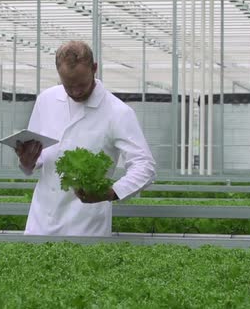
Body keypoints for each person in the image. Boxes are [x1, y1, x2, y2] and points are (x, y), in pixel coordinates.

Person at [15, 40, 156, 237]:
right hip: (41, 222)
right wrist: (27, 162)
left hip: (86, 226)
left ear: (94, 68)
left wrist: (110, 192)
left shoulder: (118, 112)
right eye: (68, 86)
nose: (75, 91)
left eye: (81, 84)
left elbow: (145, 166)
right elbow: (37, 157)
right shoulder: (46, 100)